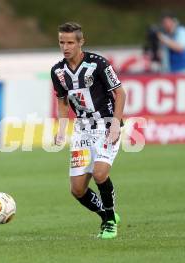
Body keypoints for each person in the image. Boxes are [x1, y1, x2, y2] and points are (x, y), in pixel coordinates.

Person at [51, 22, 126, 239]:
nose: (65, 47)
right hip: (82, 131)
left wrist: (115, 123)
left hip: (105, 125)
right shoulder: (57, 71)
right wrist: (62, 129)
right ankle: (106, 214)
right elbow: (63, 102)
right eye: (61, 42)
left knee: (100, 173)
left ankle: (110, 223)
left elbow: (120, 93)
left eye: (70, 42)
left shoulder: (99, 63)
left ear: (81, 42)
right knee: (77, 190)